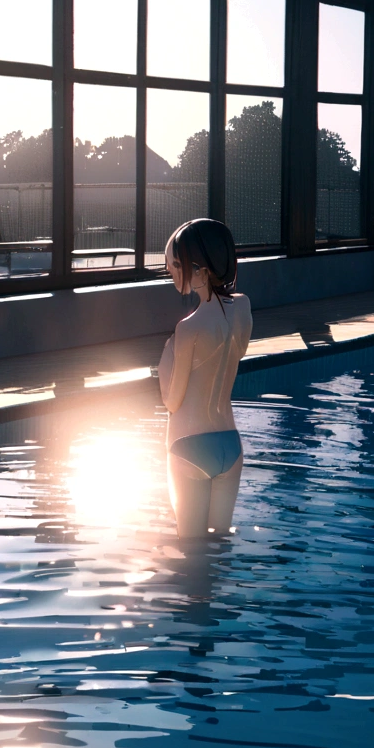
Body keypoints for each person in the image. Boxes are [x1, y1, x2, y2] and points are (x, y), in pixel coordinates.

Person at [158, 219, 252, 538]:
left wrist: (166, 357)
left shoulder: (188, 329)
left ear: (198, 268)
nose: (170, 271)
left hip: (189, 445)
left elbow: (172, 400)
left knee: (192, 552)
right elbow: (234, 355)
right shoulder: (243, 308)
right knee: (220, 543)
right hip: (230, 444)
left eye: (174, 264)